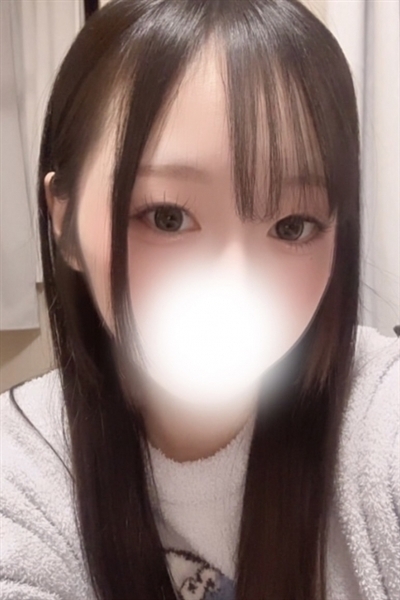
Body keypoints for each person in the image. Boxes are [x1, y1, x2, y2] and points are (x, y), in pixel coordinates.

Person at [1, 0, 399, 599]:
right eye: (167, 216)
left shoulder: (377, 416)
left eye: (292, 225)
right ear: (63, 219)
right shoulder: (21, 471)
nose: (235, 285)